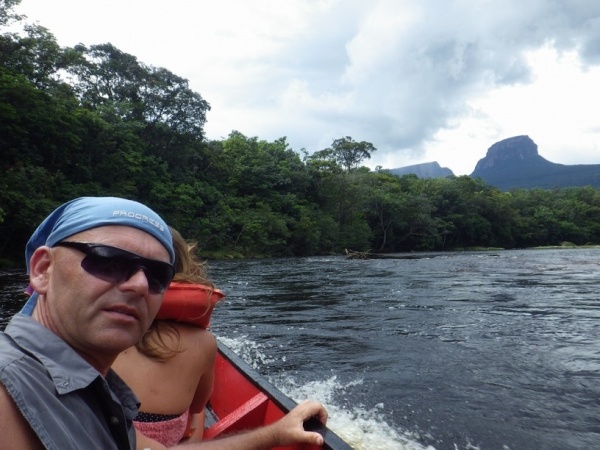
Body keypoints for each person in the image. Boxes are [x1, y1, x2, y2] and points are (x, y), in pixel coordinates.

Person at [0, 196, 328, 450]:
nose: (140, 285)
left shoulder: (97, 390)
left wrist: (275, 433)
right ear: (43, 270)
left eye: (157, 275)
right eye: (109, 260)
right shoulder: (10, 384)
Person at [112, 227, 223, 445]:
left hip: (109, 431)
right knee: (198, 413)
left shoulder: (104, 332)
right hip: (167, 439)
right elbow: (198, 405)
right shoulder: (205, 342)